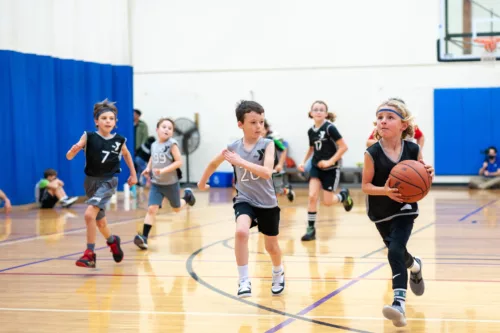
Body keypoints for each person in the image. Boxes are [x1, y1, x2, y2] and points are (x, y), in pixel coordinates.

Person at [197, 100, 285, 298]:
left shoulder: (268, 145)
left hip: (267, 202)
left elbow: (267, 172)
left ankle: (278, 271)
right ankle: (243, 280)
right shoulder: (233, 147)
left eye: (261, 122)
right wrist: (202, 183)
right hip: (245, 199)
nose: (258, 126)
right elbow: (213, 163)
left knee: (271, 247)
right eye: (253, 122)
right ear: (240, 124)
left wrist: (240, 162)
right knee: (241, 232)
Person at [362, 99, 433, 327]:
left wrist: (428, 172)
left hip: (404, 208)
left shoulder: (412, 149)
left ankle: (398, 305)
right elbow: (365, 186)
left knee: (394, 251)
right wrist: (385, 190)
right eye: (380, 118)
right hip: (381, 210)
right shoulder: (371, 152)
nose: (383, 121)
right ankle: (415, 266)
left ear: (403, 125)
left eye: (390, 117)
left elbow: (422, 177)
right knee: (399, 253)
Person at [66, 99, 137, 268]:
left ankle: (89, 254)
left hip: (108, 182)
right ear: (96, 121)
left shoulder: (119, 140)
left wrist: (133, 174)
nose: (108, 121)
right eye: (104, 118)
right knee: (100, 222)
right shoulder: (88, 136)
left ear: (115, 122)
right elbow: (69, 157)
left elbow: (126, 155)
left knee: (89, 215)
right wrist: (73, 150)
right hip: (90, 182)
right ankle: (113, 242)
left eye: (111, 118)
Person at [134, 118, 196, 250]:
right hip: (156, 184)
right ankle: (144, 238)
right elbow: (152, 157)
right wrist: (148, 168)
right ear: (157, 130)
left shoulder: (172, 144)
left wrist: (163, 170)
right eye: (164, 127)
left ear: (172, 132)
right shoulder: (154, 144)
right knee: (152, 209)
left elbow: (179, 162)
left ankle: (188, 197)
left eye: (170, 128)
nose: (166, 129)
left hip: (170, 183)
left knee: (177, 208)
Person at [297, 100, 353, 241]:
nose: (318, 111)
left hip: (331, 169)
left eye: (322, 110)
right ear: (311, 113)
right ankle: (310, 230)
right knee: (312, 197)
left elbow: (343, 147)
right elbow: (311, 149)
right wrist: (303, 162)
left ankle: (343, 196)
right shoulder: (311, 131)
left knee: (327, 202)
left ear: (326, 114)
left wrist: (330, 161)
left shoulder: (330, 128)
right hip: (316, 167)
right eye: (316, 109)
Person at [263, 120, 295, 202]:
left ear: (266, 129)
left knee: (277, 191)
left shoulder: (272, 138)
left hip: (276, 167)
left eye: (262, 129)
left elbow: (284, 149)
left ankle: (287, 191)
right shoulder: (255, 140)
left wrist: (280, 164)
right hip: (264, 169)